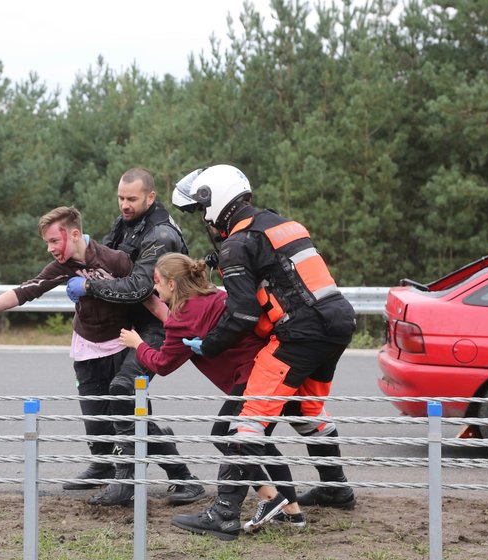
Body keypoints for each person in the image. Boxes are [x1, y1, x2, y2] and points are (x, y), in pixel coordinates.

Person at [168, 164, 357, 538]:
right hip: (336, 323)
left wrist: (209, 345)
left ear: (215, 203)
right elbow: (277, 268)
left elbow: (241, 313)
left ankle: (224, 513)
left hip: (299, 335)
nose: (204, 219)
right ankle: (336, 488)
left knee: (243, 425)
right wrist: (219, 261)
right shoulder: (277, 224)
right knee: (308, 412)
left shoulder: (238, 243)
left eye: (202, 210)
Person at [119, 252, 307, 540]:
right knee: (255, 441)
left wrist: (138, 343)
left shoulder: (182, 318)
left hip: (252, 379)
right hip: (271, 370)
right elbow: (189, 324)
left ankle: (272, 500)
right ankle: (289, 510)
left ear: (171, 283)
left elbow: (162, 364)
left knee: (227, 435)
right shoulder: (210, 297)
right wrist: (159, 310)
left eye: (157, 282)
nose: (155, 288)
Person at [0, 206, 132, 492]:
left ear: (74, 234)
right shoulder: (62, 267)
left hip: (120, 343)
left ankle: (145, 474)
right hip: (86, 344)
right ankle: (101, 465)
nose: (50, 249)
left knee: (124, 413)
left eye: (53, 241)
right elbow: (26, 290)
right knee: (94, 411)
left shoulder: (115, 259)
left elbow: (142, 293)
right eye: (47, 243)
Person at [65, 167, 205, 507]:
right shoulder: (126, 222)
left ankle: (142, 481)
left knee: (125, 391)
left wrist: (90, 285)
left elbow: (138, 287)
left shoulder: (160, 234)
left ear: (150, 197)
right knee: (109, 394)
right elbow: (108, 259)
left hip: (161, 325)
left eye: (132, 199)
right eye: (121, 198)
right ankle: (107, 463)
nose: (124, 205)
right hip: (131, 324)